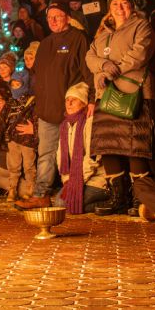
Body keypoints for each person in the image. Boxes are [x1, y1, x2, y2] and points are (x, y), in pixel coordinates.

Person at [85, 0, 155, 216]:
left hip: (133, 95)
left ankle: (139, 198)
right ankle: (118, 197)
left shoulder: (141, 26)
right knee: (109, 147)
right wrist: (103, 68)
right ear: (109, 9)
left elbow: (139, 54)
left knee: (135, 147)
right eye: (115, 5)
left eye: (125, 3)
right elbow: (90, 57)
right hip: (107, 97)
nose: (120, 8)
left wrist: (114, 70)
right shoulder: (102, 33)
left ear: (132, 6)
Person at [16, 0, 91, 209]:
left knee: (75, 153)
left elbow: (88, 73)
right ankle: (41, 193)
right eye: (50, 17)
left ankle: (74, 190)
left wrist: (90, 99)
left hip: (71, 111)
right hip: (47, 112)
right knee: (46, 154)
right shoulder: (46, 44)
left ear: (67, 17)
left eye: (58, 16)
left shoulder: (78, 39)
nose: (54, 21)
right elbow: (38, 77)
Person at [56, 83, 110, 214]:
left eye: (73, 100)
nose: (69, 103)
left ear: (84, 104)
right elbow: (60, 157)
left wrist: (77, 180)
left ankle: (111, 201)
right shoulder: (65, 126)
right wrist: (67, 181)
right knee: (59, 203)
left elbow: (93, 158)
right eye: (67, 100)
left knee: (64, 205)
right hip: (74, 179)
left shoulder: (90, 122)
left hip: (95, 180)